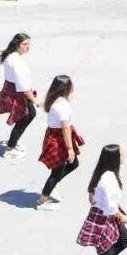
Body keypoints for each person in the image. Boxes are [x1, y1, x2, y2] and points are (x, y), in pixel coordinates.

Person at [75, 144, 127, 255]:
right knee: (105, 251)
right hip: (105, 217)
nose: (124, 155)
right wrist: (122, 217)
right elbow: (111, 207)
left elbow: (91, 196)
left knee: (124, 240)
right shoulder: (109, 180)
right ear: (115, 159)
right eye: (121, 154)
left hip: (103, 213)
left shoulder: (103, 173)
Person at [36, 75, 85, 211]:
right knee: (57, 172)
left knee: (73, 164)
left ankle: (52, 185)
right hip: (58, 139)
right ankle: (41, 201)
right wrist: (70, 148)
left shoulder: (53, 98)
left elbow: (41, 102)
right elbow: (66, 128)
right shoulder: (62, 106)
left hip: (53, 135)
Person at [0, 33, 42, 159]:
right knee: (27, 116)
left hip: (11, 89)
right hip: (18, 93)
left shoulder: (11, 56)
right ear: (17, 45)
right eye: (25, 44)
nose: (28, 47)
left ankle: (14, 141)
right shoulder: (16, 62)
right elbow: (24, 87)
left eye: (29, 44)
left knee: (25, 116)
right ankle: (10, 148)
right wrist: (36, 101)